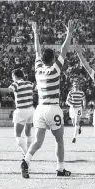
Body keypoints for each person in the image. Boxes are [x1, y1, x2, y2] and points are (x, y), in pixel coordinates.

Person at [21, 21, 74, 178]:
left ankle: (26, 160)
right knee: (59, 140)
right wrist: (69, 33)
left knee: (38, 141)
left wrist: (35, 33)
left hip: (40, 109)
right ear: (52, 59)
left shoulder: (38, 69)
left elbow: (37, 51)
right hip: (52, 108)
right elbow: (64, 51)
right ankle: (60, 169)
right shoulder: (54, 69)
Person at [0, 69, 34, 157]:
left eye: (12, 76)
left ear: (15, 76)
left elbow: (9, 90)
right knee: (28, 132)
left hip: (21, 110)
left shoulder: (16, 84)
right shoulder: (29, 83)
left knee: (17, 135)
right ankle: (28, 150)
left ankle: (26, 154)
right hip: (31, 109)